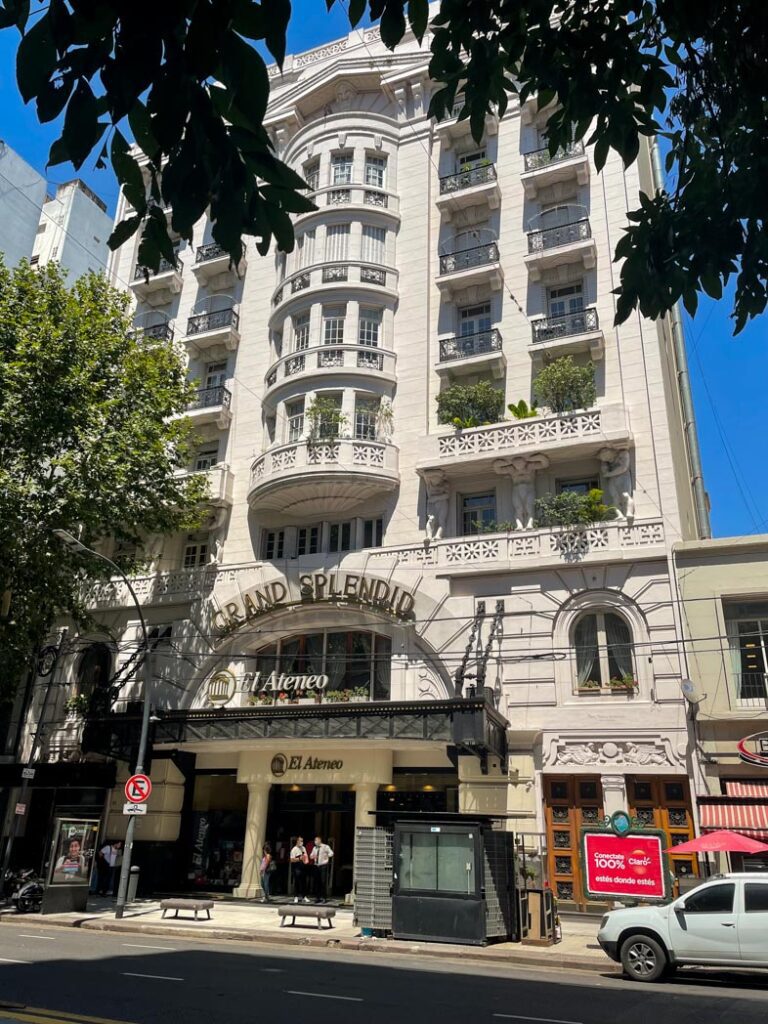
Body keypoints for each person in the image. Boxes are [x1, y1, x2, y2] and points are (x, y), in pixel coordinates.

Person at [310, 835, 334, 904]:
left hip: (323, 866)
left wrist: (327, 856)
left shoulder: (325, 847)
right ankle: (317, 897)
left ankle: (323, 898)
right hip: (316, 866)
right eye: (314, 840)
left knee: (323, 882)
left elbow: (331, 853)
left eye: (316, 840)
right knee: (317, 882)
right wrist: (312, 856)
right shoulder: (315, 848)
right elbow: (311, 855)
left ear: (319, 840)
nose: (315, 842)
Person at [289, 835, 310, 904]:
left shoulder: (303, 848)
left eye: (302, 841)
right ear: (297, 841)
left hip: (303, 867)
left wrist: (306, 860)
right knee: (297, 882)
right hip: (297, 868)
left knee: (304, 882)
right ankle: (296, 896)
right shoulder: (294, 849)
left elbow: (306, 856)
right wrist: (299, 859)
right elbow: (292, 860)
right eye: (301, 841)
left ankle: (304, 896)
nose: (302, 842)